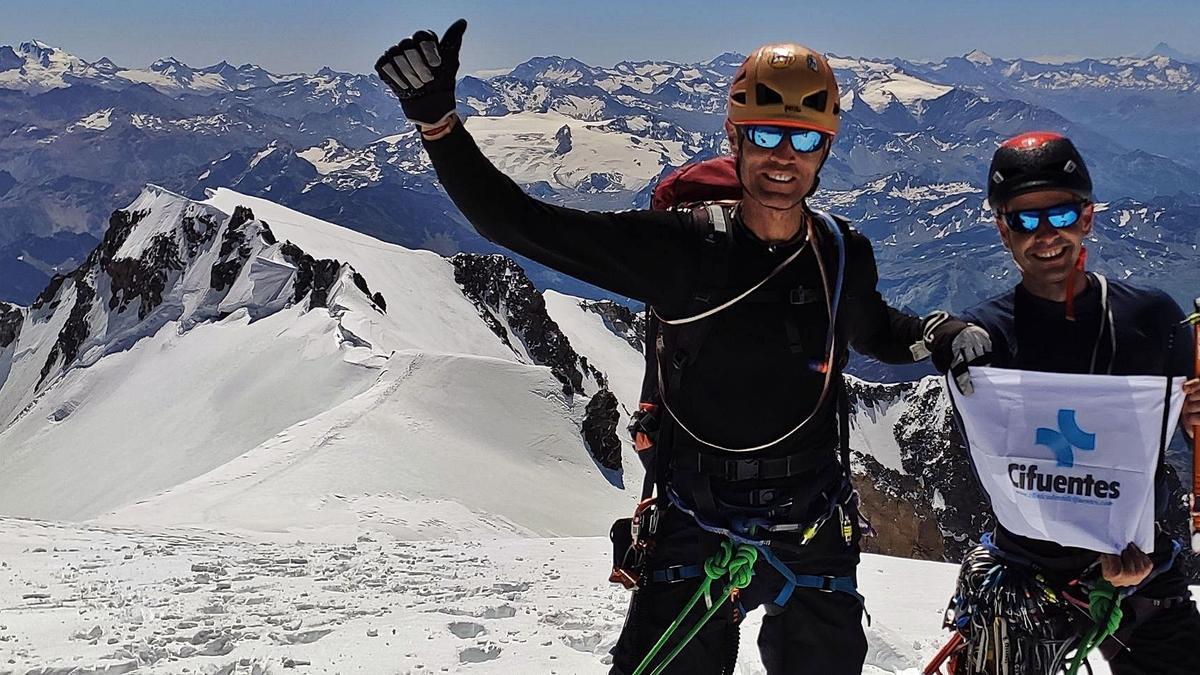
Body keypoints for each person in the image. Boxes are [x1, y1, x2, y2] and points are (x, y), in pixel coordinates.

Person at [374, 21, 978, 674]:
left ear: (825, 149)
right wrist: (438, 124)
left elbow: (877, 330)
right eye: (766, 134)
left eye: (803, 138)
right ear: (735, 138)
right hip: (700, 514)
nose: (783, 156)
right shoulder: (681, 249)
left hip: (808, 518)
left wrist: (938, 333)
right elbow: (518, 222)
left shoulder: (839, 253)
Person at [938, 130, 1200, 675]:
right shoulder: (984, 338)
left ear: (1087, 217)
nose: (1045, 235)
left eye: (1059, 214)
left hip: (1143, 568)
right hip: (1027, 573)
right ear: (1003, 229)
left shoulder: (1152, 321)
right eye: (1025, 220)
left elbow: (1186, 429)